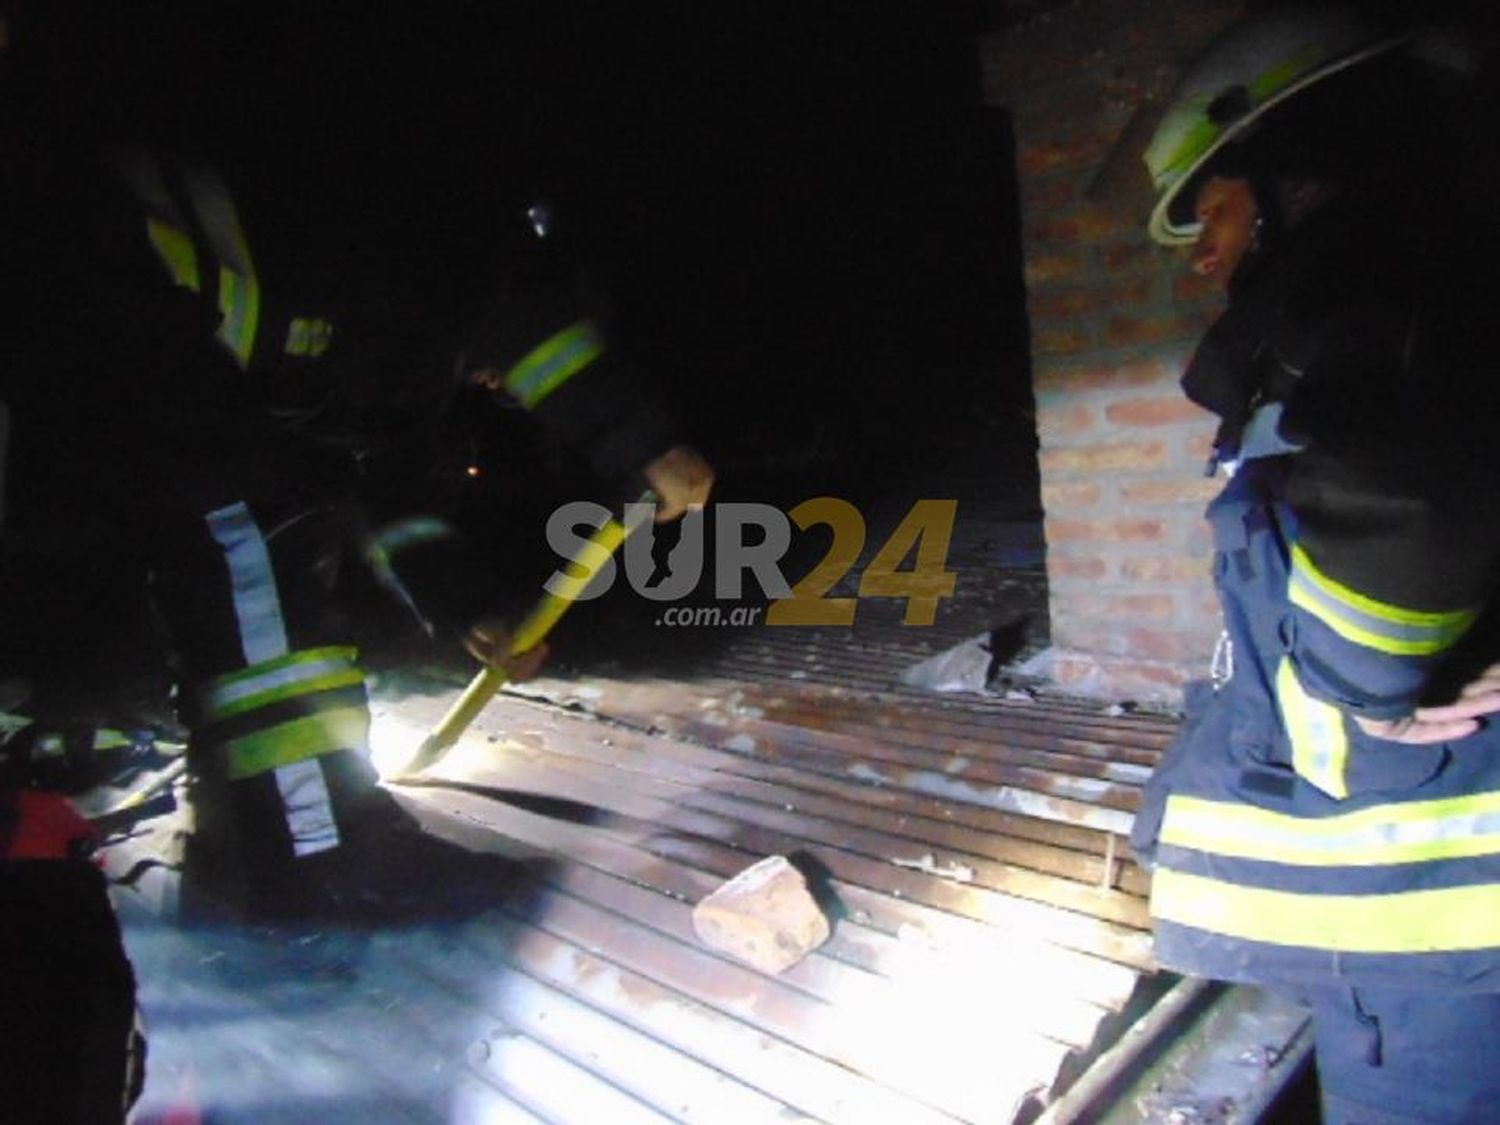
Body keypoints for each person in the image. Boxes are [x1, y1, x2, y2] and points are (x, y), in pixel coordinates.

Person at [1, 4, 713, 924]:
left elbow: (388, 481)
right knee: (262, 551)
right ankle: (321, 856)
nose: (497, 384)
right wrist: (645, 441)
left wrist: (473, 610)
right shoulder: (436, 250)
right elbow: (515, 309)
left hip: (132, 362)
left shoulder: (387, 352)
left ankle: (255, 834)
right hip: (115, 304)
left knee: (253, 564)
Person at [1127, 7, 1500, 1123]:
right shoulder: (1444, 292)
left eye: (1218, 209)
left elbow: (1409, 491)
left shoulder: (1370, 311)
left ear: (1304, 173)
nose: (1206, 251)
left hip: (1433, 923)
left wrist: (1358, 680)